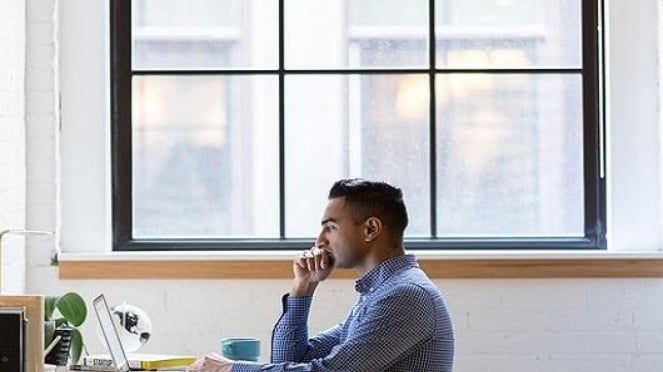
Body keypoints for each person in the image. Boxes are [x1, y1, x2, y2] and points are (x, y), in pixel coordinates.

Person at [189, 178, 454, 372]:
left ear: (371, 229)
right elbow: (290, 362)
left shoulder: (405, 296)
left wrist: (229, 369)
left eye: (330, 228)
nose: (319, 240)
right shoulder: (379, 294)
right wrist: (302, 288)